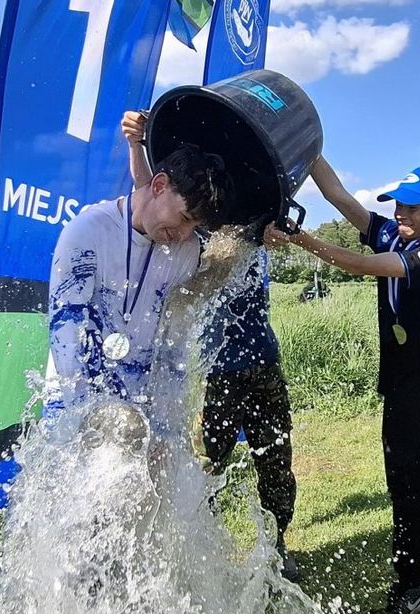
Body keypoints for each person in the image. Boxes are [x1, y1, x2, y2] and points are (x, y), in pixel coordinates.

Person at [272, 157, 420, 614]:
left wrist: (301, 239)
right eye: (399, 206)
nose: (402, 214)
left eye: (414, 207)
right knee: (405, 495)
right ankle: (411, 587)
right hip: (400, 390)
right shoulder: (395, 233)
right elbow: (341, 198)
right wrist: (310, 148)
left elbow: (363, 265)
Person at [118, 112, 301, 584]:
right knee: (207, 464)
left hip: (263, 363)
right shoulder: (193, 244)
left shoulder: (251, 235)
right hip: (218, 373)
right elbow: (149, 201)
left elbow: (271, 203)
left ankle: (279, 546)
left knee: (275, 460)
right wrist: (137, 144)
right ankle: (202, 542)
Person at [46, 139, 235, 416]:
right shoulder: (87, 231)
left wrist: (166, 424)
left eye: (195, 227)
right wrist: (87, 416)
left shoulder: (187, 248)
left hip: (142, 404)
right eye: (184, 218)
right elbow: (66, 331)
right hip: (71, 399)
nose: (184, 234)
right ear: (159, 185)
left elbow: (174, 347)